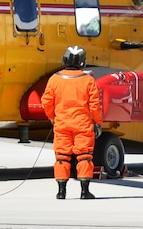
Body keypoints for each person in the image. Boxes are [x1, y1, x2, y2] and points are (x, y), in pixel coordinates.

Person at [41, 45, 103, 200]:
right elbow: (95, 106)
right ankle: (84, 192)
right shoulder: (88, 80)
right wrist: (98, 123)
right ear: (82, 62)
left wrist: (52, 118)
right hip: (83, 126)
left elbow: (46, 102)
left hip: (61, 125)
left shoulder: (54, 79)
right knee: (84, 157)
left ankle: (61, 192)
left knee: (61, 157)